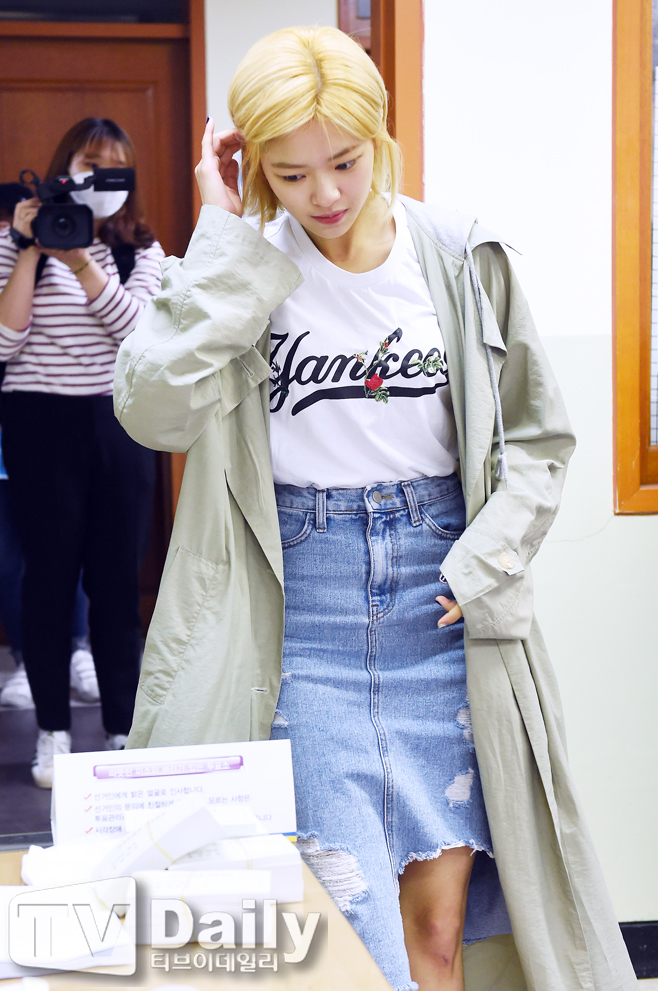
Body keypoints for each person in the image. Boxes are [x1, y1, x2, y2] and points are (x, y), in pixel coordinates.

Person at [114, 27, 637, 991]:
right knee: (349, 937)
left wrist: (483, 561)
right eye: (292, 173)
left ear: (380, 138)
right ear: (253, 167)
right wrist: (222, 240)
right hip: (300, 619)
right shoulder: (248, 270)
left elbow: (539, 438)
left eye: (346, 162)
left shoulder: (459, 257)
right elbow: (153, 411)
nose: (325, 193)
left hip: (442, 610)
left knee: (437, 936)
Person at [0, 118, 163, 786]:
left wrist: (80, 261)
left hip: (119, 421)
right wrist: (30, 249)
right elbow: (3, 343)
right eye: (87, 164)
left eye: (112, 168)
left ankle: (124, 731)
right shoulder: (17, 242)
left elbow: (140, 339)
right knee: (46, 580)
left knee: (117, 584)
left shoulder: (141, 250)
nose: (97, 179)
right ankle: (53, 733)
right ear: (63, 168)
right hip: (38, 420)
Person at [0, 182, 98, 710]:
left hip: (40, 424)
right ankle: (25, 659)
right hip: (19, 425)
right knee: (11, 560)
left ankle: (78, 649)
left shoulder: (47, 260)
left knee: (67, 548)